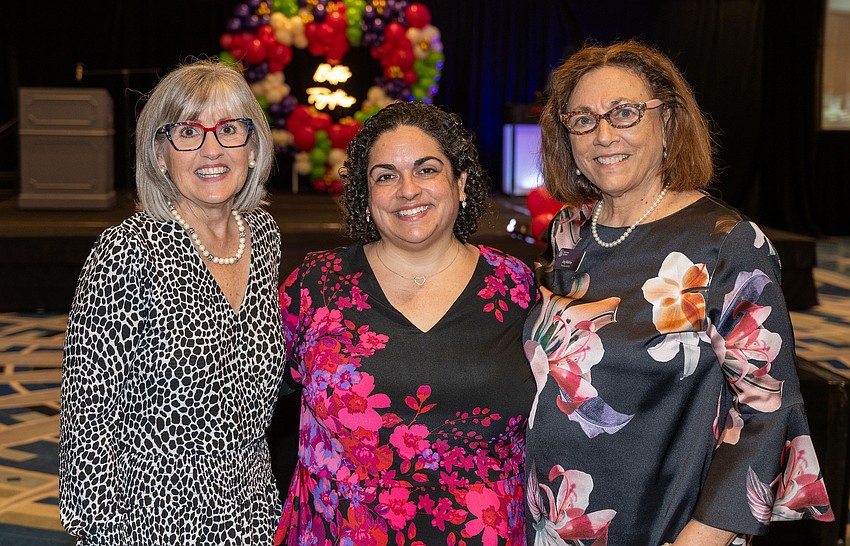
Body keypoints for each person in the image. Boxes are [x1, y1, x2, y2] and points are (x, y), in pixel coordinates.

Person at [524, 40, 834, 545]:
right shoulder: (570, 232)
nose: (603, 134)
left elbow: (768, 408)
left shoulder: (726, 244)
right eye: (582, 118)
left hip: (667, 525)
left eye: (624, 113)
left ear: (667, 122)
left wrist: (705, 536)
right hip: (553, 516)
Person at [274, 101, 537, 545]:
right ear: (366, 195)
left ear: (461, 183)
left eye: (427, 170)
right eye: (385, 176)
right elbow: (244, 398)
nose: (407, 190)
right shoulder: (316, 285)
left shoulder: (514, 286)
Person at [59, 60, 285, 545]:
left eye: (229, 129)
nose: (212, 149)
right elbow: (87, 426)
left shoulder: (263, 238)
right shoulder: (125, 254)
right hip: (153, 522)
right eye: (187, 131)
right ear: (161, 153)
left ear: (253, 144)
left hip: (255, 514)